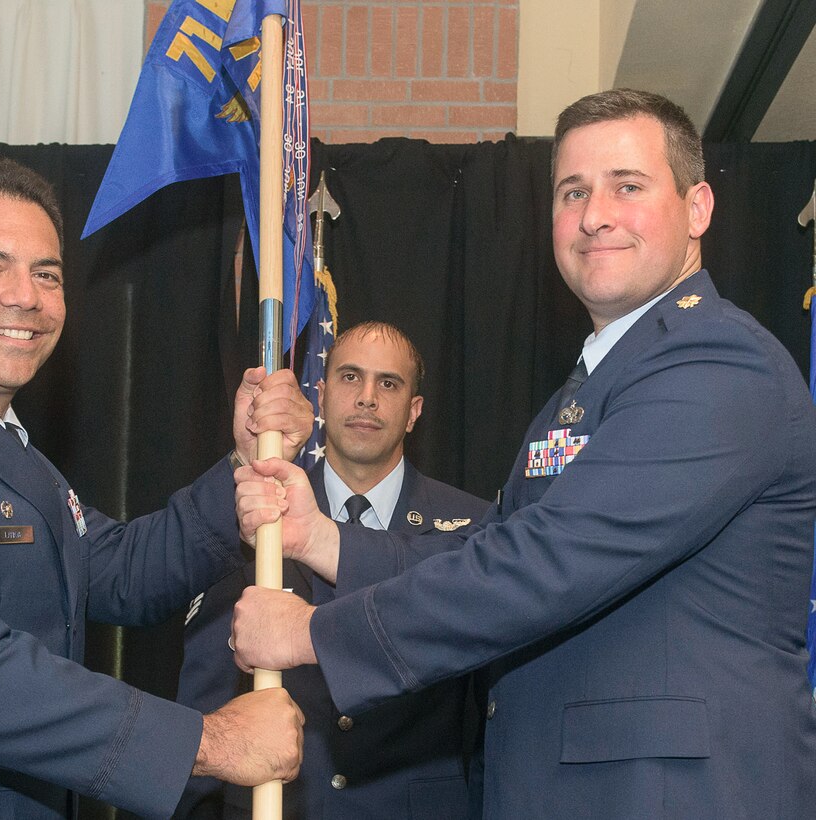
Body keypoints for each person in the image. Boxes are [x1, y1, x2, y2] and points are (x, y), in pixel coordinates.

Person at [230, 89, 816, 818]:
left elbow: (544, 563)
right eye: (573, 192)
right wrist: (321, 540)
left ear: (697, 209)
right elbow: (493, 547)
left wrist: (315, 632)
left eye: (626, 187)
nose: (594, 214)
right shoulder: (593, 383)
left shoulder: (718, 365)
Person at [0, 156, 314, 819]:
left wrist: (246, 467)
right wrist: (206, 743)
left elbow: (120, 570)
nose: (25, 296)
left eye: (47, 274)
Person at [175, 321, 490, 819]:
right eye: (349, 377)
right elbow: (205, 695)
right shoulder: (257, 513)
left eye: (388, 383)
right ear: (319, 396)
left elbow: (490, 714)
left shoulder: (474, 527)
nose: (367, 398)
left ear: (414, 412)